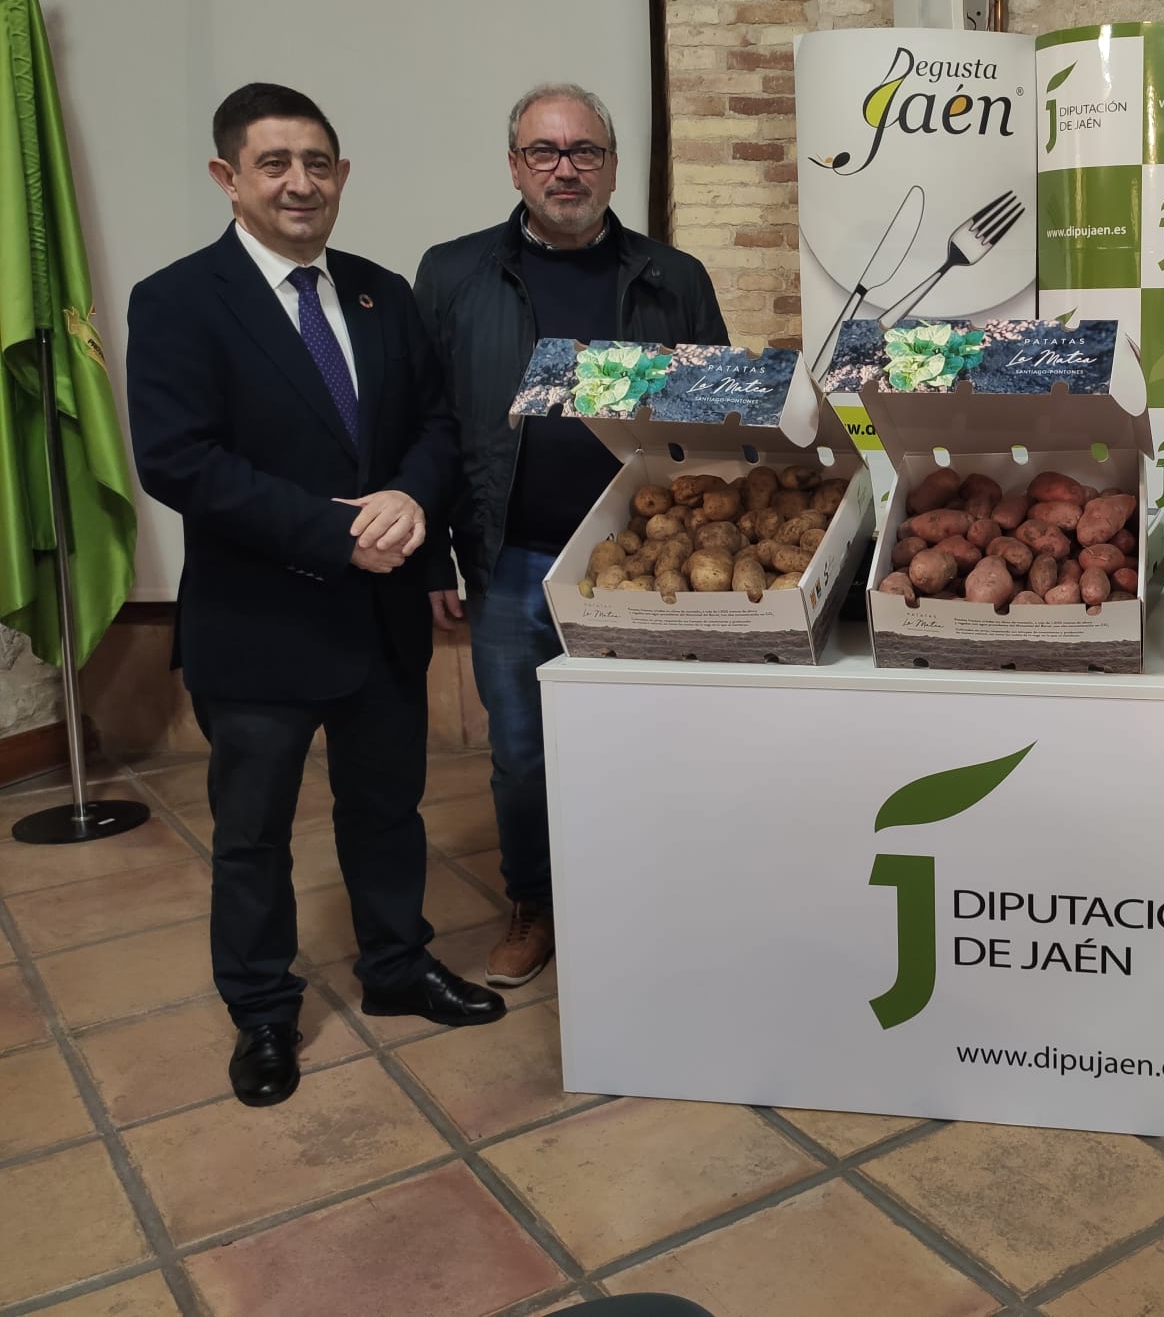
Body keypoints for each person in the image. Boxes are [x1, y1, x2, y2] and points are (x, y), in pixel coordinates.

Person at [127, 84, 506, 1110]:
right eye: (275, 163)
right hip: (259, 625)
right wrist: (337, 532)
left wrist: (407, 502)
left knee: (386, 813)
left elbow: (434, 427)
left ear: (341, 175)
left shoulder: (382, 292)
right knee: (252, 835)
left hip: (378, 622)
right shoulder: (176, 300)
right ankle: (260, 1009)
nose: (301, 182)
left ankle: (394, 967)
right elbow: (180, 462)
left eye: (318, 162)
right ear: (228, 179)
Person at [415, 84, 727, 987]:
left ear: (613, 164)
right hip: (512, 559)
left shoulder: (676, 277)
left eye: (584, 151)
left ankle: (653, 894)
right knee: (522, 753)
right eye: (544, 152)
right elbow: (426, 421)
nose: (565, 168)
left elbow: (711, 423)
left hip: (647, 561)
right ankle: (536, 902)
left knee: (653, 740)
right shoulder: (454, 275)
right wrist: (437, 551)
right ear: (514, 165)